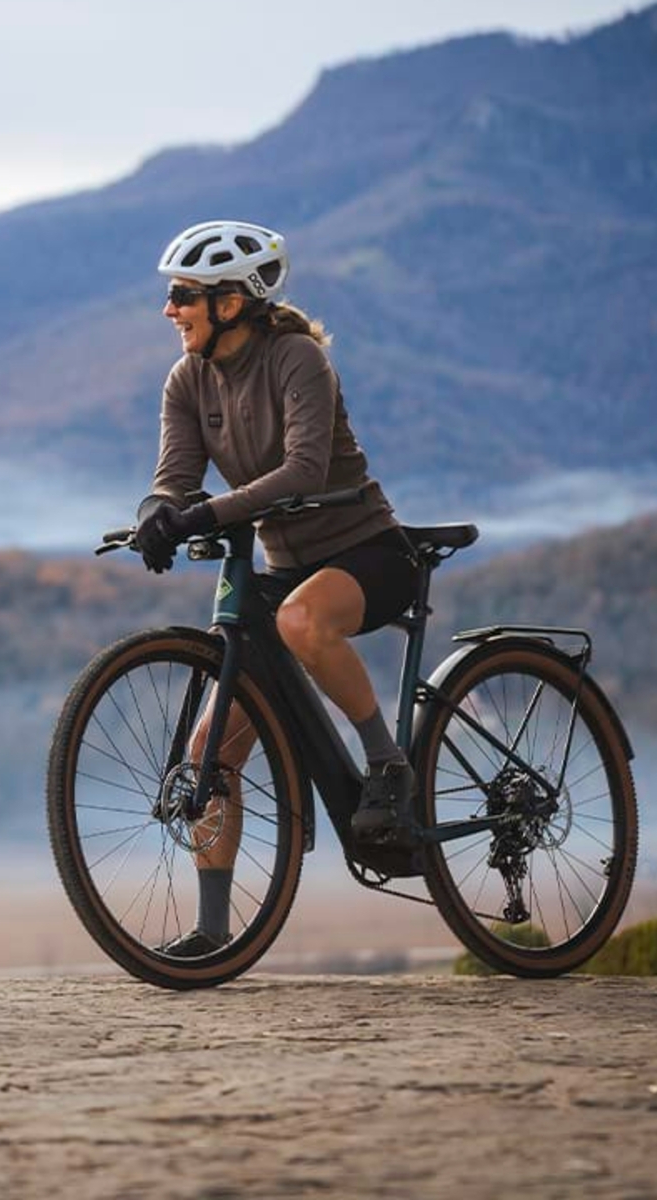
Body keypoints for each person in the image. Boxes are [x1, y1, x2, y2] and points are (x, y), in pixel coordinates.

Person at [136, 219, 421, 957]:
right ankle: (211, 932)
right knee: (208, 755)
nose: (169, 310)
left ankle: (387, 764)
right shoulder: (186, 379)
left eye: (182, 296)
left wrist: (203, 512)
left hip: (367, 553)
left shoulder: (298, 359)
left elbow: (300, 471)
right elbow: (174, 477)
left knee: (299, 621)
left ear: (231, 302)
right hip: (285, 569)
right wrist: (155, 517)